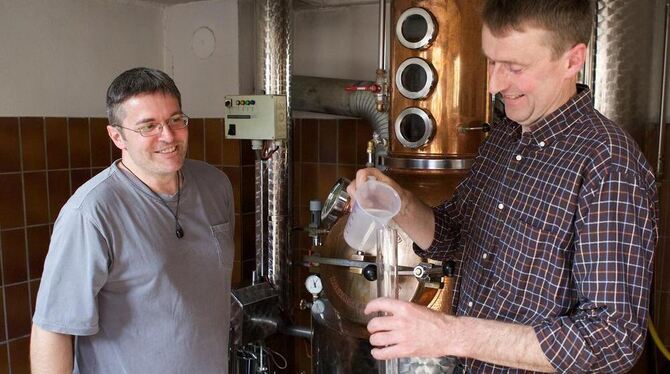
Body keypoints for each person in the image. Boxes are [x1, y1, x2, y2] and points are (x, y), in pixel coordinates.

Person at [349, 0, 658, 372]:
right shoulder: (504, 137)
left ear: (572, 60)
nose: (495, 84)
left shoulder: (607, 164)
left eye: (515, 67)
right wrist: (397, 200)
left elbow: (611, 340)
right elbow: (452, 235)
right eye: (491, 62)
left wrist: (451, 334)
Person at [30, 67, 235, 373]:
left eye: (175, 120)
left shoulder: (215, 185)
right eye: (148, 126)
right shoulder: (91, 213)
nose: (168, 136)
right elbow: (53, 329)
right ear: (117, 136)